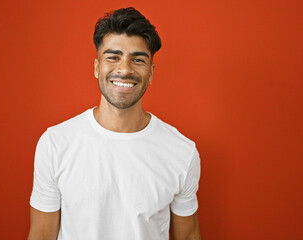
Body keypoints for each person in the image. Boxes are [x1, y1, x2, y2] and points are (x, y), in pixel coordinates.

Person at [27, 7, 202, 240]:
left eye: (138, 59)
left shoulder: (182, 151)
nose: (124, 69)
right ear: (97, 67)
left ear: (151, 73)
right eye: (113, 57)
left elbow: (188, 236)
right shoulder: (56, 143)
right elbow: (41, 235)